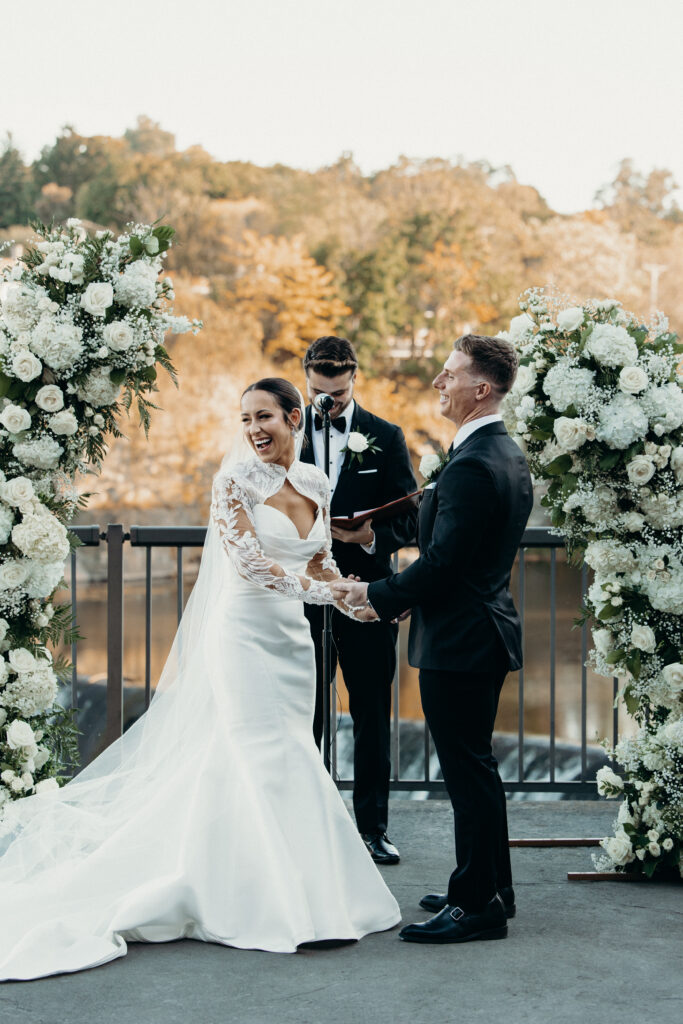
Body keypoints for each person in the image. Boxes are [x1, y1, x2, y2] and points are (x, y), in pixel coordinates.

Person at [0, 378, 400, 981]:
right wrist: (332, 593)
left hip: (292, 641)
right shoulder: (232, 482)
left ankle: (307, 890)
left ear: (294, 417)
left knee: (290, 749)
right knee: (257, 751)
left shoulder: (317, 483)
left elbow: (319, 561)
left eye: (264, 416)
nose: (253, 429)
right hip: (241, 634)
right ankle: (263, 898)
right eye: (245, 419)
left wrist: (362, 602)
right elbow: (253, 564)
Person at [333, 335, 533, 944]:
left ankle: (476, 907)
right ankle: (489, 887)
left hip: (463, 637)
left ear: (481, 389)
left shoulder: (474, 463)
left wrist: (377, 599)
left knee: (467, 773)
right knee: (476, 769)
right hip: (478, 629)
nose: (438, 384)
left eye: (448, 376)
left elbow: (444, 563)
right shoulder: (499, 452)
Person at [300, 336, 417, 865]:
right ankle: (307, 822)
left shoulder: (386, 436)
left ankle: (372, 830)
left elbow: (411, 519)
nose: (330, 403)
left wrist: (368, 538)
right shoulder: (289, 430)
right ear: (307, 380)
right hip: (301, 599)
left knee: (371, 712)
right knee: (305, 713)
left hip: (369, 596)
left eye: (339, 394)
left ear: (355, 381)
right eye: (321, 393)